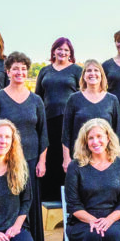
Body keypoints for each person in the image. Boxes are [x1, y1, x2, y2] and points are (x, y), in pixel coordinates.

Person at [0, 52, 49, 241]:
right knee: (11, 202)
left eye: (23, 69)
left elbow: (43, 133)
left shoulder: (36, 100)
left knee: (30, 202)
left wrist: (42, 161)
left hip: (31, 160)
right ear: (8, 71)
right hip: (5, 162)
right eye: (15, 68)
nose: (20, 72)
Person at [35, 37, 81, 200]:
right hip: (48, 122)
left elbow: (82, 96)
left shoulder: (77, 71)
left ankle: (70, 201)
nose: (62, 52)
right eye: (59, 49)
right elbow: (38, 97)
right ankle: (48, 200)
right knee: (50, 159)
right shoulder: (44, 71)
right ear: (54, 51)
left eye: (66, 50)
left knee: (68, 160)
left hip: (70, 122)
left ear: (71, 53)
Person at [62, 59, 120, 170]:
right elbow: (66, 132)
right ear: (84, 76)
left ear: (101, 75)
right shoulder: (74, 99)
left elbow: (117, 130)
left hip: (106, 158)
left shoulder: (112, 100)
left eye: (96, 70)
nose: (92, 74)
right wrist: (66, 158)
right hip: (80, 157)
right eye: (89, 71)